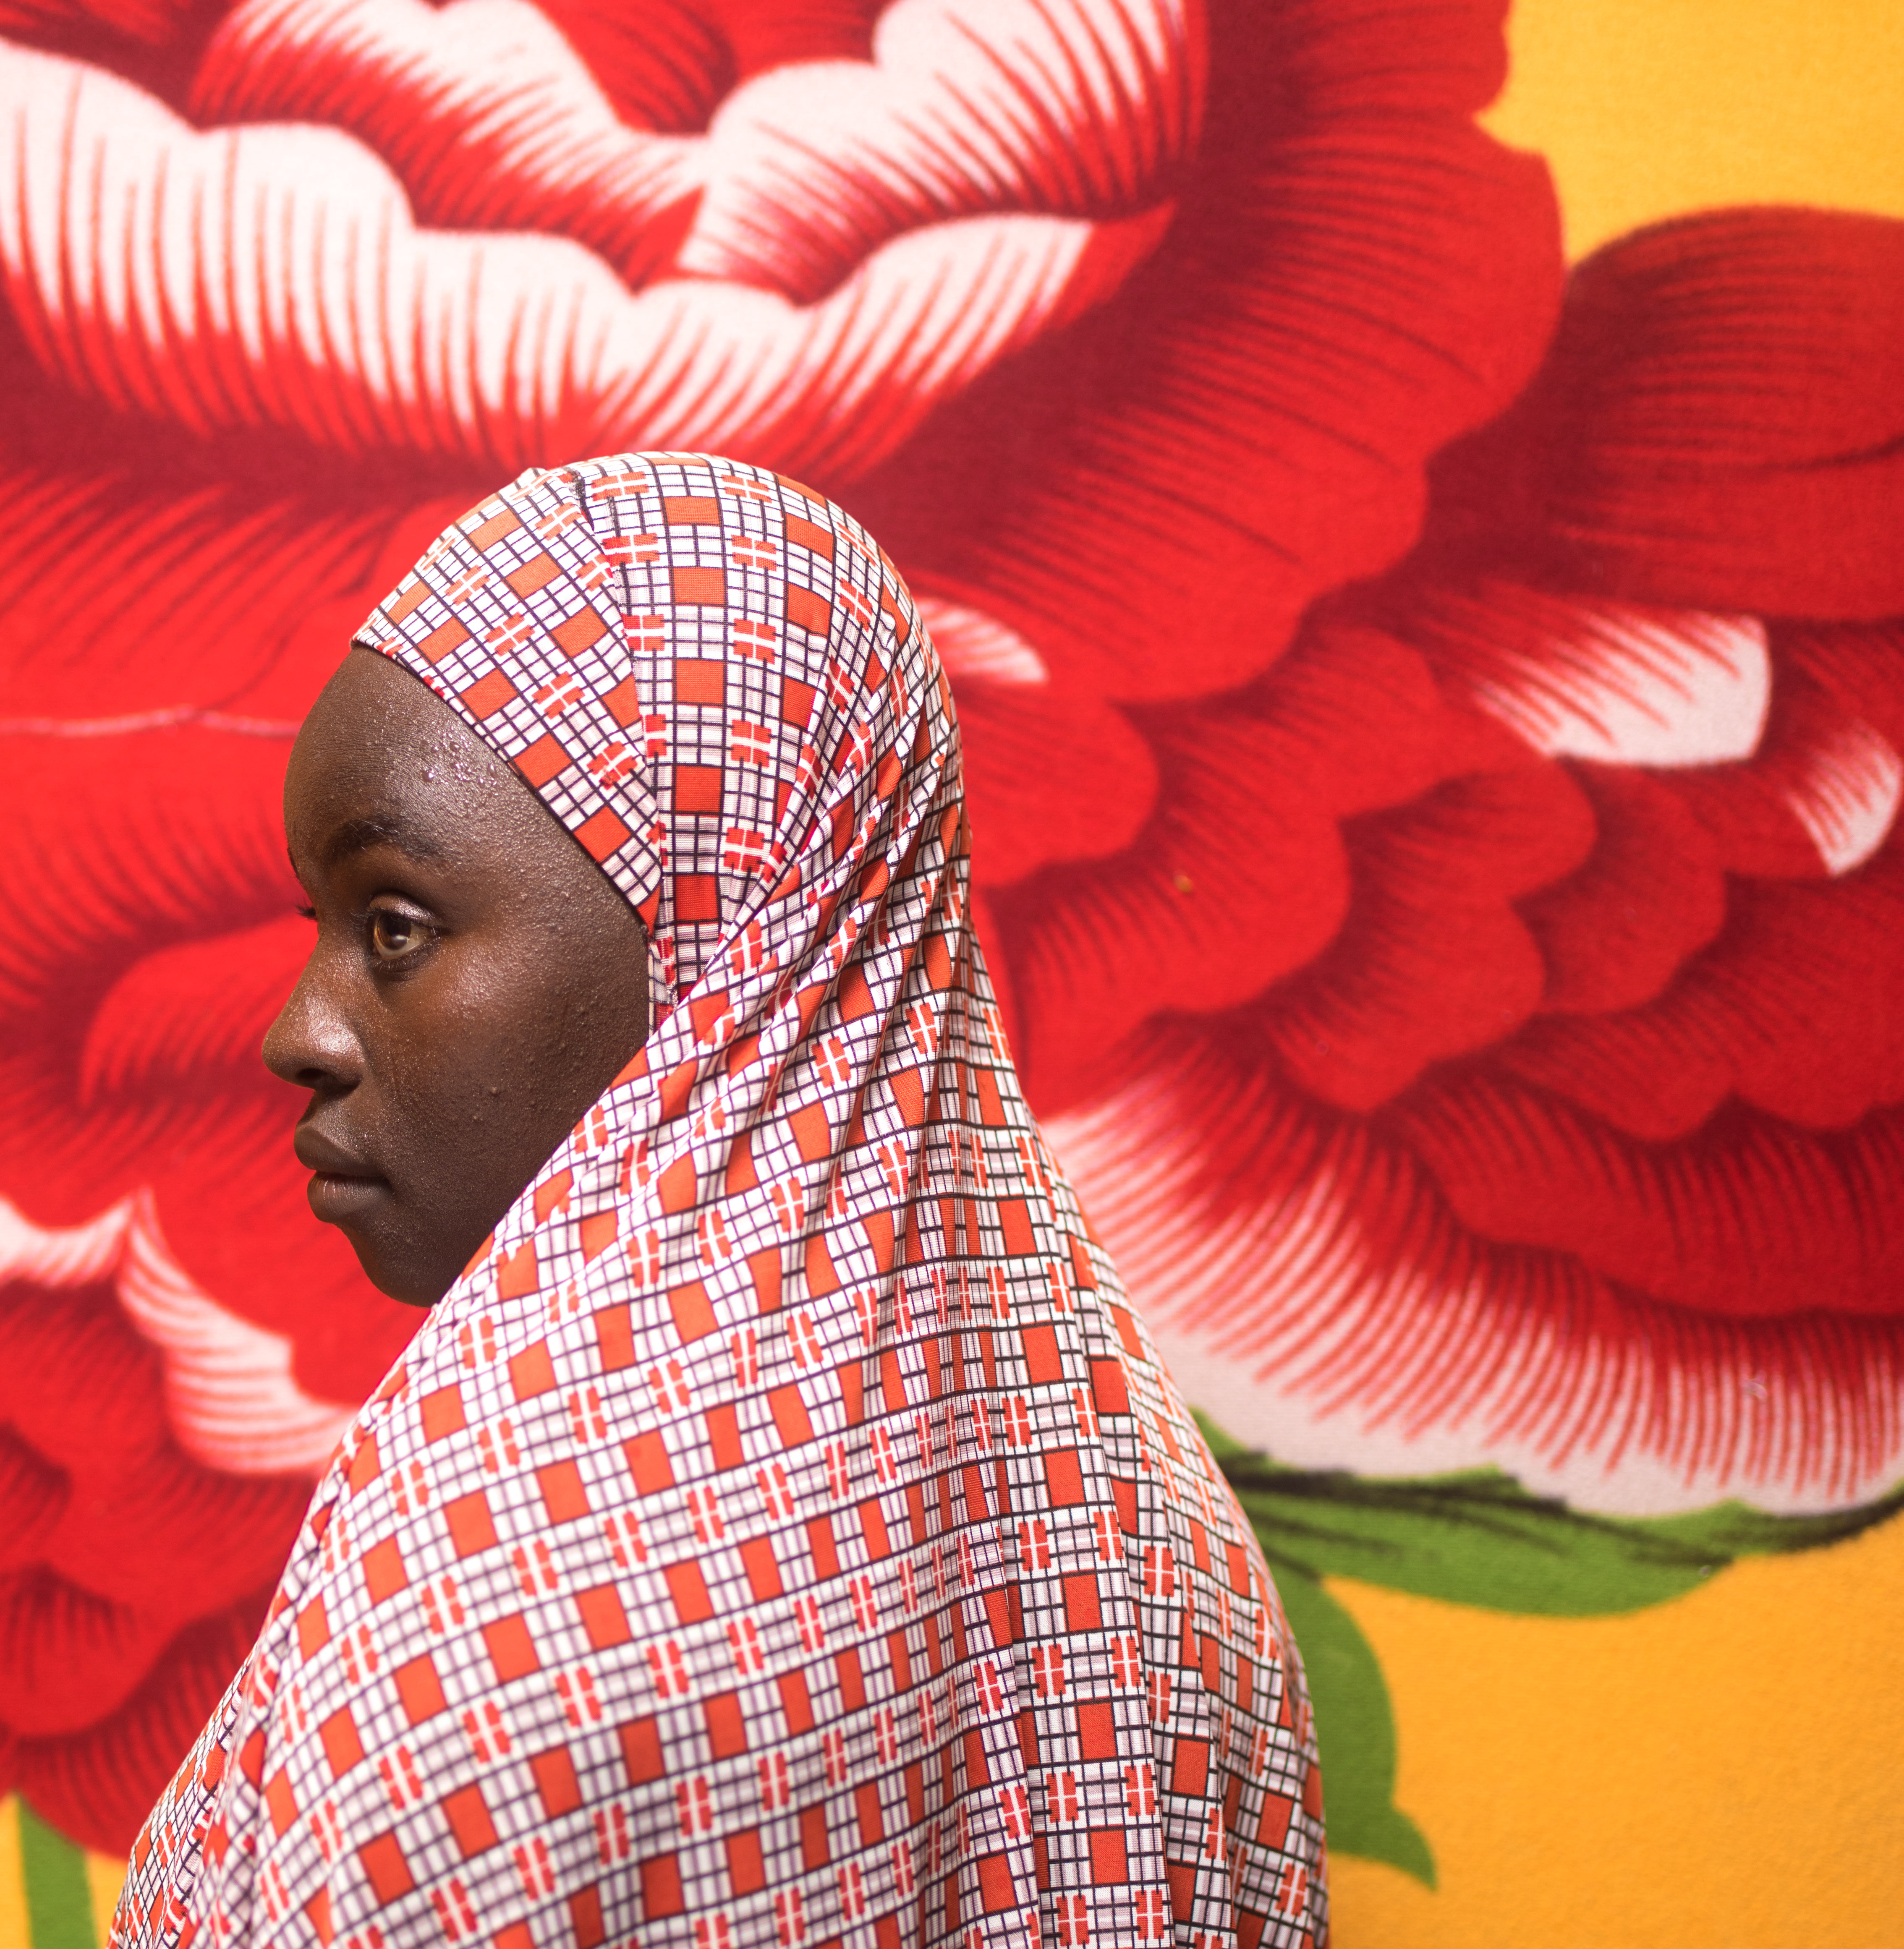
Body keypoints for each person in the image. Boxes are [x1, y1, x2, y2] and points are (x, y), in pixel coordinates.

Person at [113, 454, 1328, 1949]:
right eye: (329, 923)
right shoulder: (1155, 1555)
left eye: (396, 924)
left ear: (731, 935)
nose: (299, 1027)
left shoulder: (491, 1633)